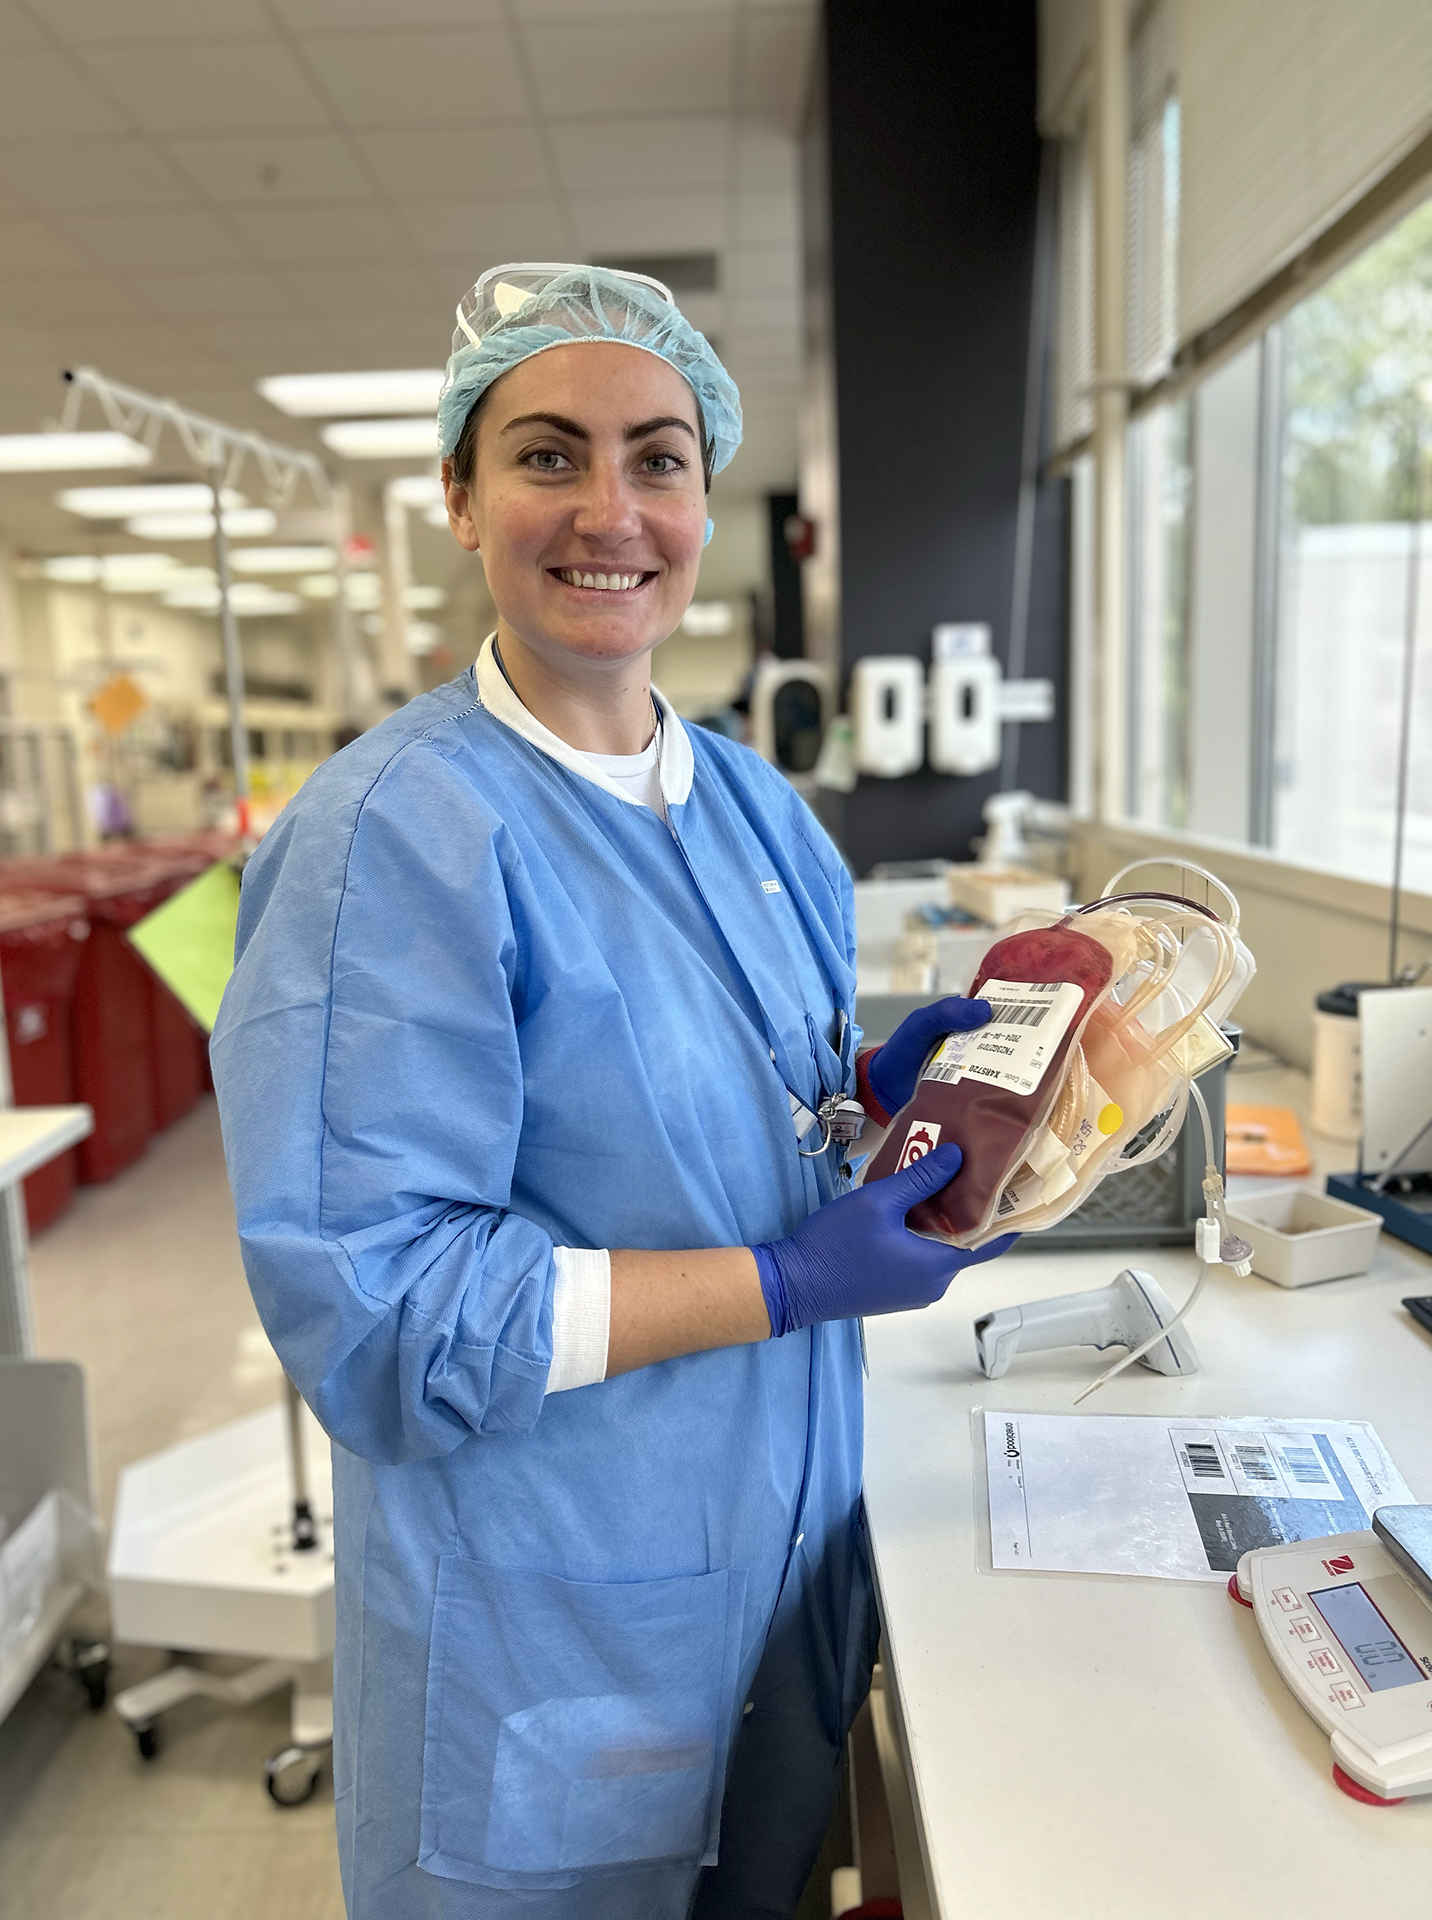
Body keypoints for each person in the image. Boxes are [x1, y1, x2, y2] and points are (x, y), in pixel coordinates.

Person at [213, 263, 1014, 1920]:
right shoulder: (394, 840)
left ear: (707, 497)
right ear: (458, 493)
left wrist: (874, 1094)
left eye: (657, 457)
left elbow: (697, 1113)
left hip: (779, 1578)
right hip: (552, 1618)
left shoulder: (760, 813)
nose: (609, 510)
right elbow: (386, 1316)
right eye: (546, 453)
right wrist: (793, 1283)